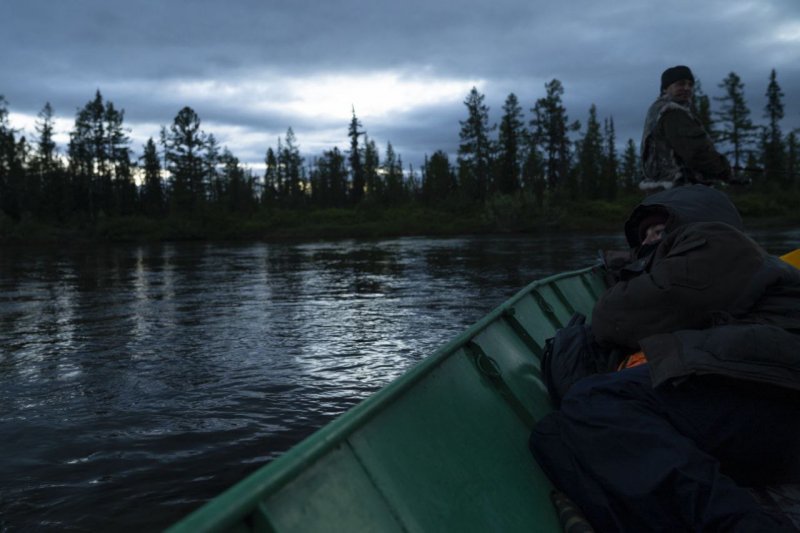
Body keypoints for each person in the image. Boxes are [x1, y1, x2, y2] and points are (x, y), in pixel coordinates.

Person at [530, 184, 800, 532]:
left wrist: (627, 274)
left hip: (781, 390)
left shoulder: (719, 242)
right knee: (554, 436)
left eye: (659, 230)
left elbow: (617, 318)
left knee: (596, 400)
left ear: (696, 220)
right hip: (751, 394)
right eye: (644, 236)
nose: (648, 242)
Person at [639, 66, 732, 191]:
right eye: (680, 84)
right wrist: (724, 171)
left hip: (661, 191)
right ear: (665, 89)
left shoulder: (656, 110)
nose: (687, 88)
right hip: (680, 191)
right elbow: (696, 153)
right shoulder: (673, 112)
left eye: (690, 84)